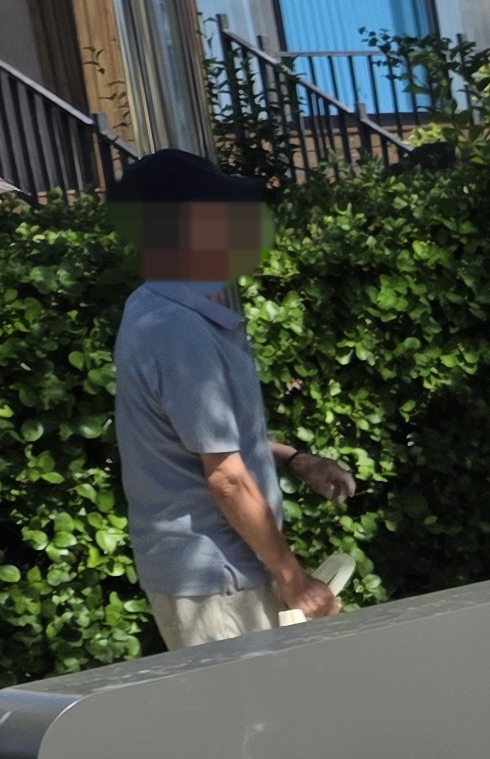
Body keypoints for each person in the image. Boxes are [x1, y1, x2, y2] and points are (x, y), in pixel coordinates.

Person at [109, 148, 355, 646]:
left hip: (220, 573)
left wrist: (295, 460)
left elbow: (207, 440)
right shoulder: (178, 330)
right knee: (253, 724)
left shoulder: (164, 310)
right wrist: (294, 580)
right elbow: (225, 477)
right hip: (217, 583)